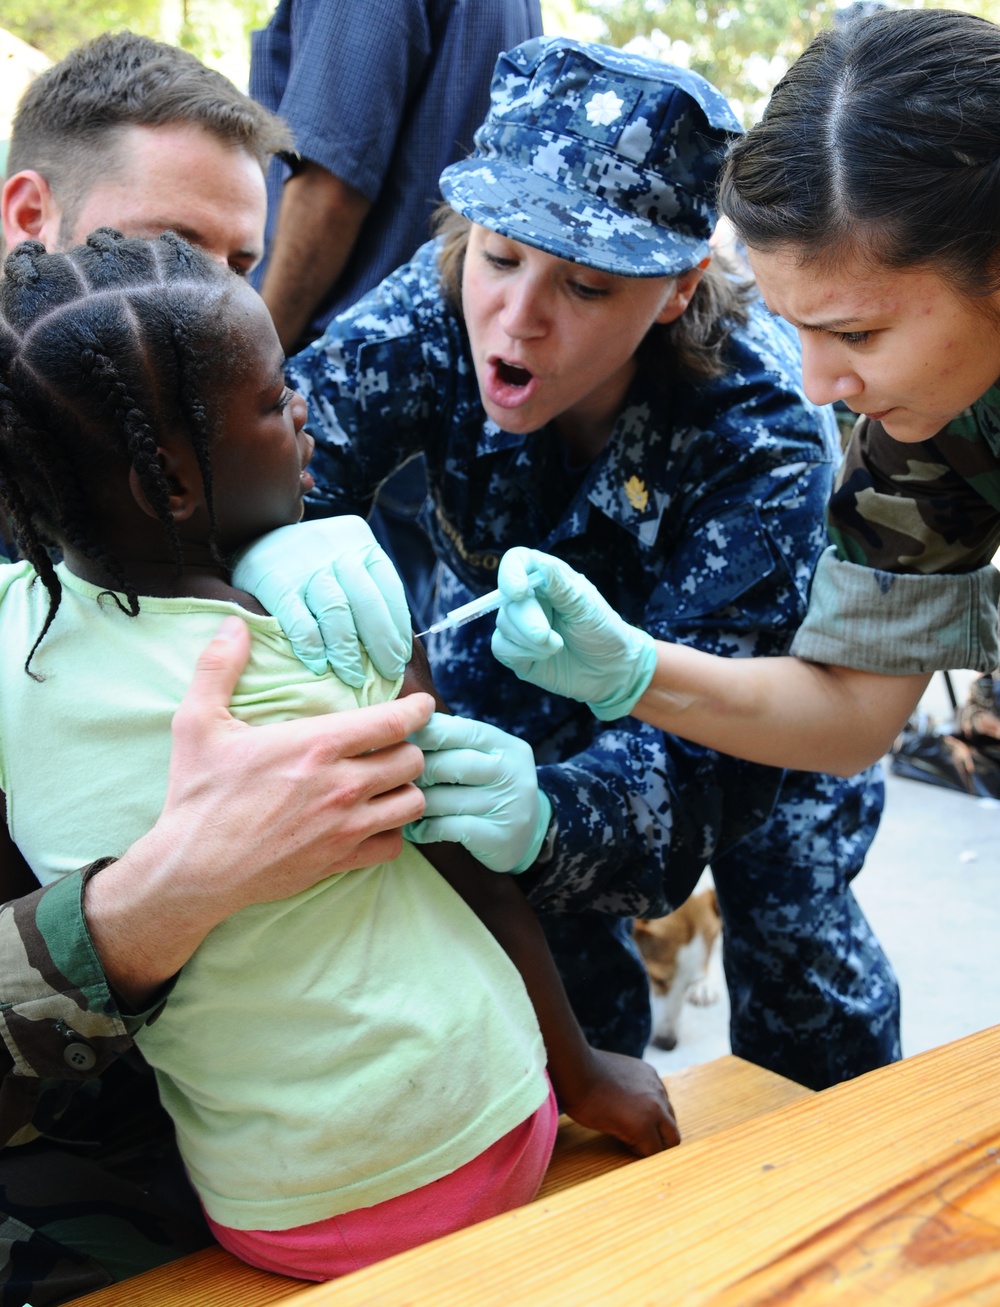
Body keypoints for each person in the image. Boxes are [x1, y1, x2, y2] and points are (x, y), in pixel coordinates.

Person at [0, 230, 674, 1283]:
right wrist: (583, 1071)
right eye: (275, 399)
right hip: (468, 1141)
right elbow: (468, 858)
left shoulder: (10, 636)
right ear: (171, 483)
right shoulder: (314, 650)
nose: (305, 403)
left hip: (266, 1207)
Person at [237, 37, 899, 1092]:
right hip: (512, 655)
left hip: (753, 701)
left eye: (587, 286)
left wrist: (558, 814)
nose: (519, 314)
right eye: (501, 256)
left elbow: (704, 770)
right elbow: (285, 448)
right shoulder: (440, 296)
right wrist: (283, 521)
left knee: (798, 949)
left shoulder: (764, 427)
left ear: (677, 291)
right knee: (533, 953)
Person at [0, 31, 515, 1305]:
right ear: (30, 216)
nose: (207, 293)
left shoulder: (189, 414)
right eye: (168, 245)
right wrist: (147, 904)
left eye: (239, 261)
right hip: (65, 1224)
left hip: (336, 1166)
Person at [487, 8, 1000, 781]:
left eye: (856, 334)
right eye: (800, 330)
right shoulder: (929, 420)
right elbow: (854, 714)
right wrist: (633, 670)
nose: (819, 386)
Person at [248, 0, 543, 628]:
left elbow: (331, 185)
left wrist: (254, 363)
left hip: (357, 364)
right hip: (457, 366)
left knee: (334, 632)